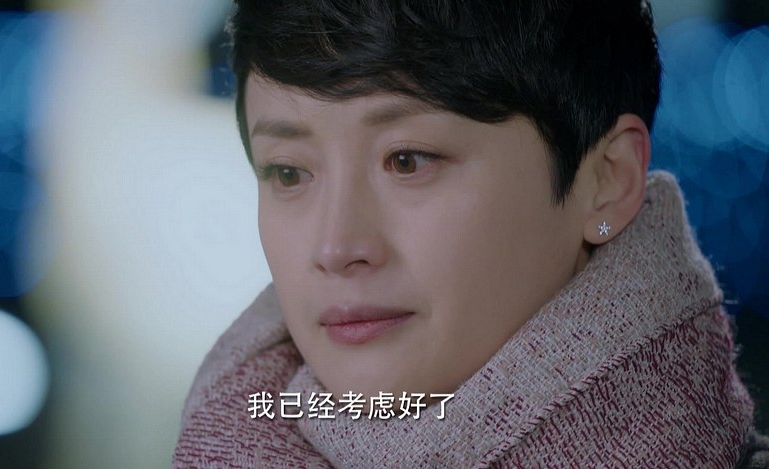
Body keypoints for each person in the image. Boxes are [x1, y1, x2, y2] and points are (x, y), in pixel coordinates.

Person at [173, 1, 769, 466]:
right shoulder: (228, 426)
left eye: (407, 161)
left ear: (607, 181)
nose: (335, 249)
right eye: (288, 172)